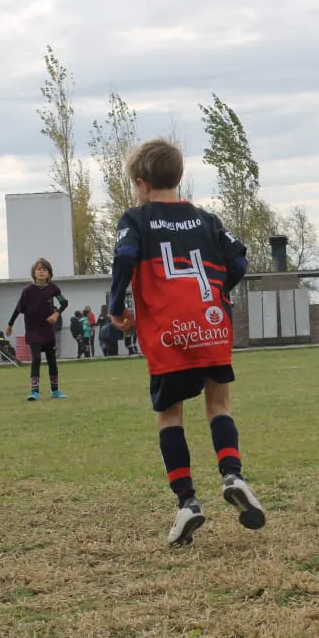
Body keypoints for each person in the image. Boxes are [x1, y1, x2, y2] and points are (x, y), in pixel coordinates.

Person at [109, 137, 265, 547]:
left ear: (141, 183)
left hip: (168, 332)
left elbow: (125, 255)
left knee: (170, 415)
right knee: (219, 404)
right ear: (178, 178)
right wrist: (219, 290)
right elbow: (239, 260)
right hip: (210, 325)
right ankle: (232, 474)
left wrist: (116, 306)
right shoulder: (206, 219)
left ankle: (187, 503)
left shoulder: (136, 219)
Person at [5, 258, 69, 401]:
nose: (41, 272)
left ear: (49, 273)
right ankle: (34, 392)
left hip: (48, 331)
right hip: (33, 331)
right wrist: (10, 324)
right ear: (34, 272)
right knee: (37, 359)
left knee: (52, 360)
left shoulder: (53, 288)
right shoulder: (27, 291)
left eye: (44, 270)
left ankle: (55, 391)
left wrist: (56, 314)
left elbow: (64, 302)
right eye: (39, 269)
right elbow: (18, 309)